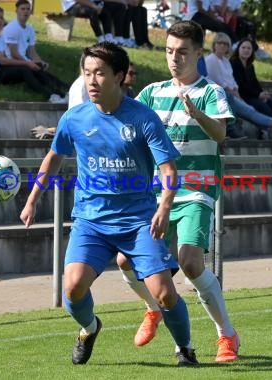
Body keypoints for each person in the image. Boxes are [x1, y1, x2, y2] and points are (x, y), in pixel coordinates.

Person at [20, 42, 199, 366]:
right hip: (91, 221)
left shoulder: (143, 118)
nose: (91, 80)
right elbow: (54, 157)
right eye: (87, 73)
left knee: (163, 293)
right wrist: (33, 198)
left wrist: (164, 208)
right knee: (73, 287)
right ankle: (90, 327)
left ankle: (184, 348)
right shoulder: (74, 119)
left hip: (138, 221)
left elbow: (168, 169)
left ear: (119, 76)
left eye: (99, 73)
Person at [115, 20, 240, 363]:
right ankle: (153, 307)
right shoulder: (152, 92)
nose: (175, 58)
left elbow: (220, 136)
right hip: (154, 195)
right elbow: (123, 125)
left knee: (189, 262)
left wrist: (197, 114)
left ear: (199, 54)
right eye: (169, 51)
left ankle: (226, 335)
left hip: (196, 190)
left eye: (183, 52)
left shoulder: (211, 92)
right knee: (124, 259)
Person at [205, 33, 272, 140]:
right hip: (221, 98)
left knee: (271, 104)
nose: (222, 46)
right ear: (214, 45)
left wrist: (260, 93)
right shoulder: (213, 60)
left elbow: (234, 84)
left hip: (233, 97)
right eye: (219, 43)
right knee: (253, 109)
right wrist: (246, 97)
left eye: (225, 44)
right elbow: (222, 84)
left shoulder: (226, 62)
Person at [0, 6, 68, 103]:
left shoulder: (0, 34)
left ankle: (64, 92)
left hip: (1, 66)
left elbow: (7, 56)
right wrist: (26, 63)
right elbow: (2, 60)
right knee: (25, 69)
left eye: (1, 18)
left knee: (37, 66)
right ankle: (51, 97)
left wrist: (31, 62)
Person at [3, 0, 69, 103]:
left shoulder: (30, 29)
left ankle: (66, 91)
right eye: (22, 9)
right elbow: (13, 53)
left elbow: (31, 51)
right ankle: (57, 94)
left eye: (28, 9)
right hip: (13, 63)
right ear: (16, 11)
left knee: (41, 68)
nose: (25, 12)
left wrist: (41, 61)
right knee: (36, 70)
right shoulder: (12, 28)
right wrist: (29, 63)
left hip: (24, 61)